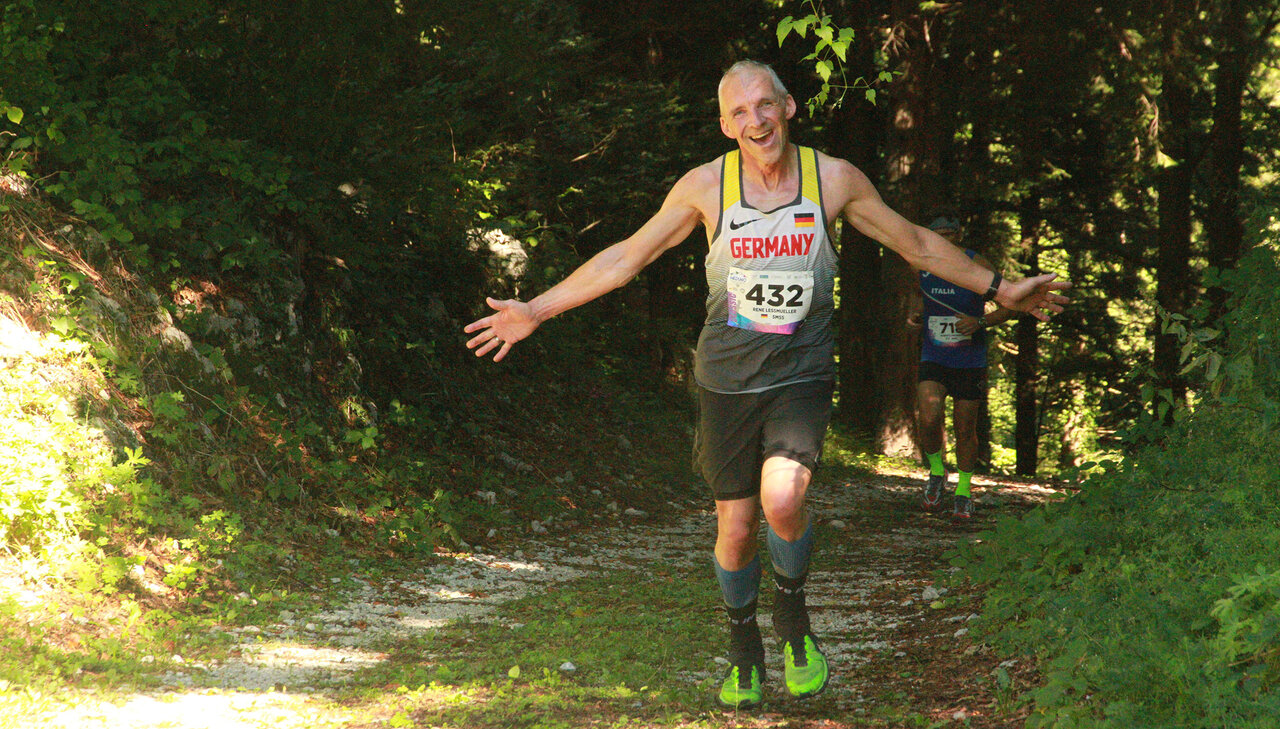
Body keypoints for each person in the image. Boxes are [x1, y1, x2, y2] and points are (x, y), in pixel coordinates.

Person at [464, 60, 1071, 710]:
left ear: (788, 107)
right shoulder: (705, 188)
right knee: (735, 526)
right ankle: (742, 647)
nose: (755, 120)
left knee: (782, 497)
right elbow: (625, 256)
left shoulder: (832, 180)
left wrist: (1002, 288)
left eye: (765, 105)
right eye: (740, 112)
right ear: (726, 126)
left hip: (800, 372)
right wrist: (536, 310)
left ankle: (793, 621)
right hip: (725, 380)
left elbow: (917, 243)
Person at [909, 215, 1015, 519]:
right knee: (928, 417)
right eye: (937, 235)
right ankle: (937, 472)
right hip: (934, 356)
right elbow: (922, 298)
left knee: (965, 429)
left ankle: (965, 491)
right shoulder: (922, 263)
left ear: (959, 236)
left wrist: (979, 321)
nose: (943, 241)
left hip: (970, 360)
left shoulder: (976, 263)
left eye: (948, 235)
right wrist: (916, 316)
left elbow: (1009, 306)